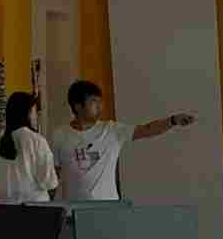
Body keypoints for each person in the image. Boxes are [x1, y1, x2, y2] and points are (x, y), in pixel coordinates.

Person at [53, 78, 193, 203]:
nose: (100, 107)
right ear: (78, 106)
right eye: (94, 102)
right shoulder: (60, 135)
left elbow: (147, 129)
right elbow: (53, 174)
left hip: (107, 209)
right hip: (71, 210)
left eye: (100, 102)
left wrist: (172, 121)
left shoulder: (112, 130)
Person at [0, 90, 58, 204]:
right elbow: (49, 182)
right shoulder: (37, 141)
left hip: (3, 208)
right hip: (35, 208)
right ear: (28, 114)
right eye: (35, 112)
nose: (37, 116)